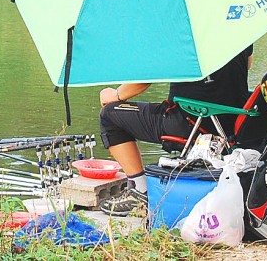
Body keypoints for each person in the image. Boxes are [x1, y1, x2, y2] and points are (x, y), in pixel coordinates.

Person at [96, 45, 253, 216]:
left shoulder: (183, 36)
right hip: (233, 125)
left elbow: (149, 75)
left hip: (192, 122)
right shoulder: (238, 31)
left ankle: (139, 191)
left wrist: (115, 95)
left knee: (109, 115)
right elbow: (248, 64)